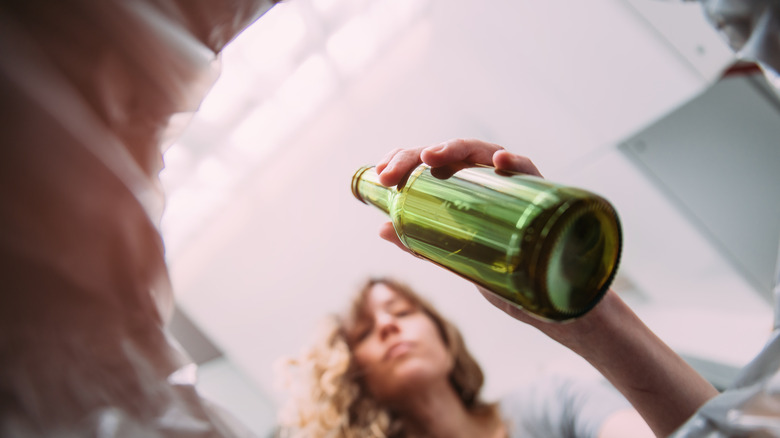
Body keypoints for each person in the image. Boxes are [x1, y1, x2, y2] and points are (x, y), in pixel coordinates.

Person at [278, 276, 657, 438]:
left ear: (444, 336)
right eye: (363, 332)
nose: (387, 326)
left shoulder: (553, 399)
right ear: (351, 372)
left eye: (402, 311)